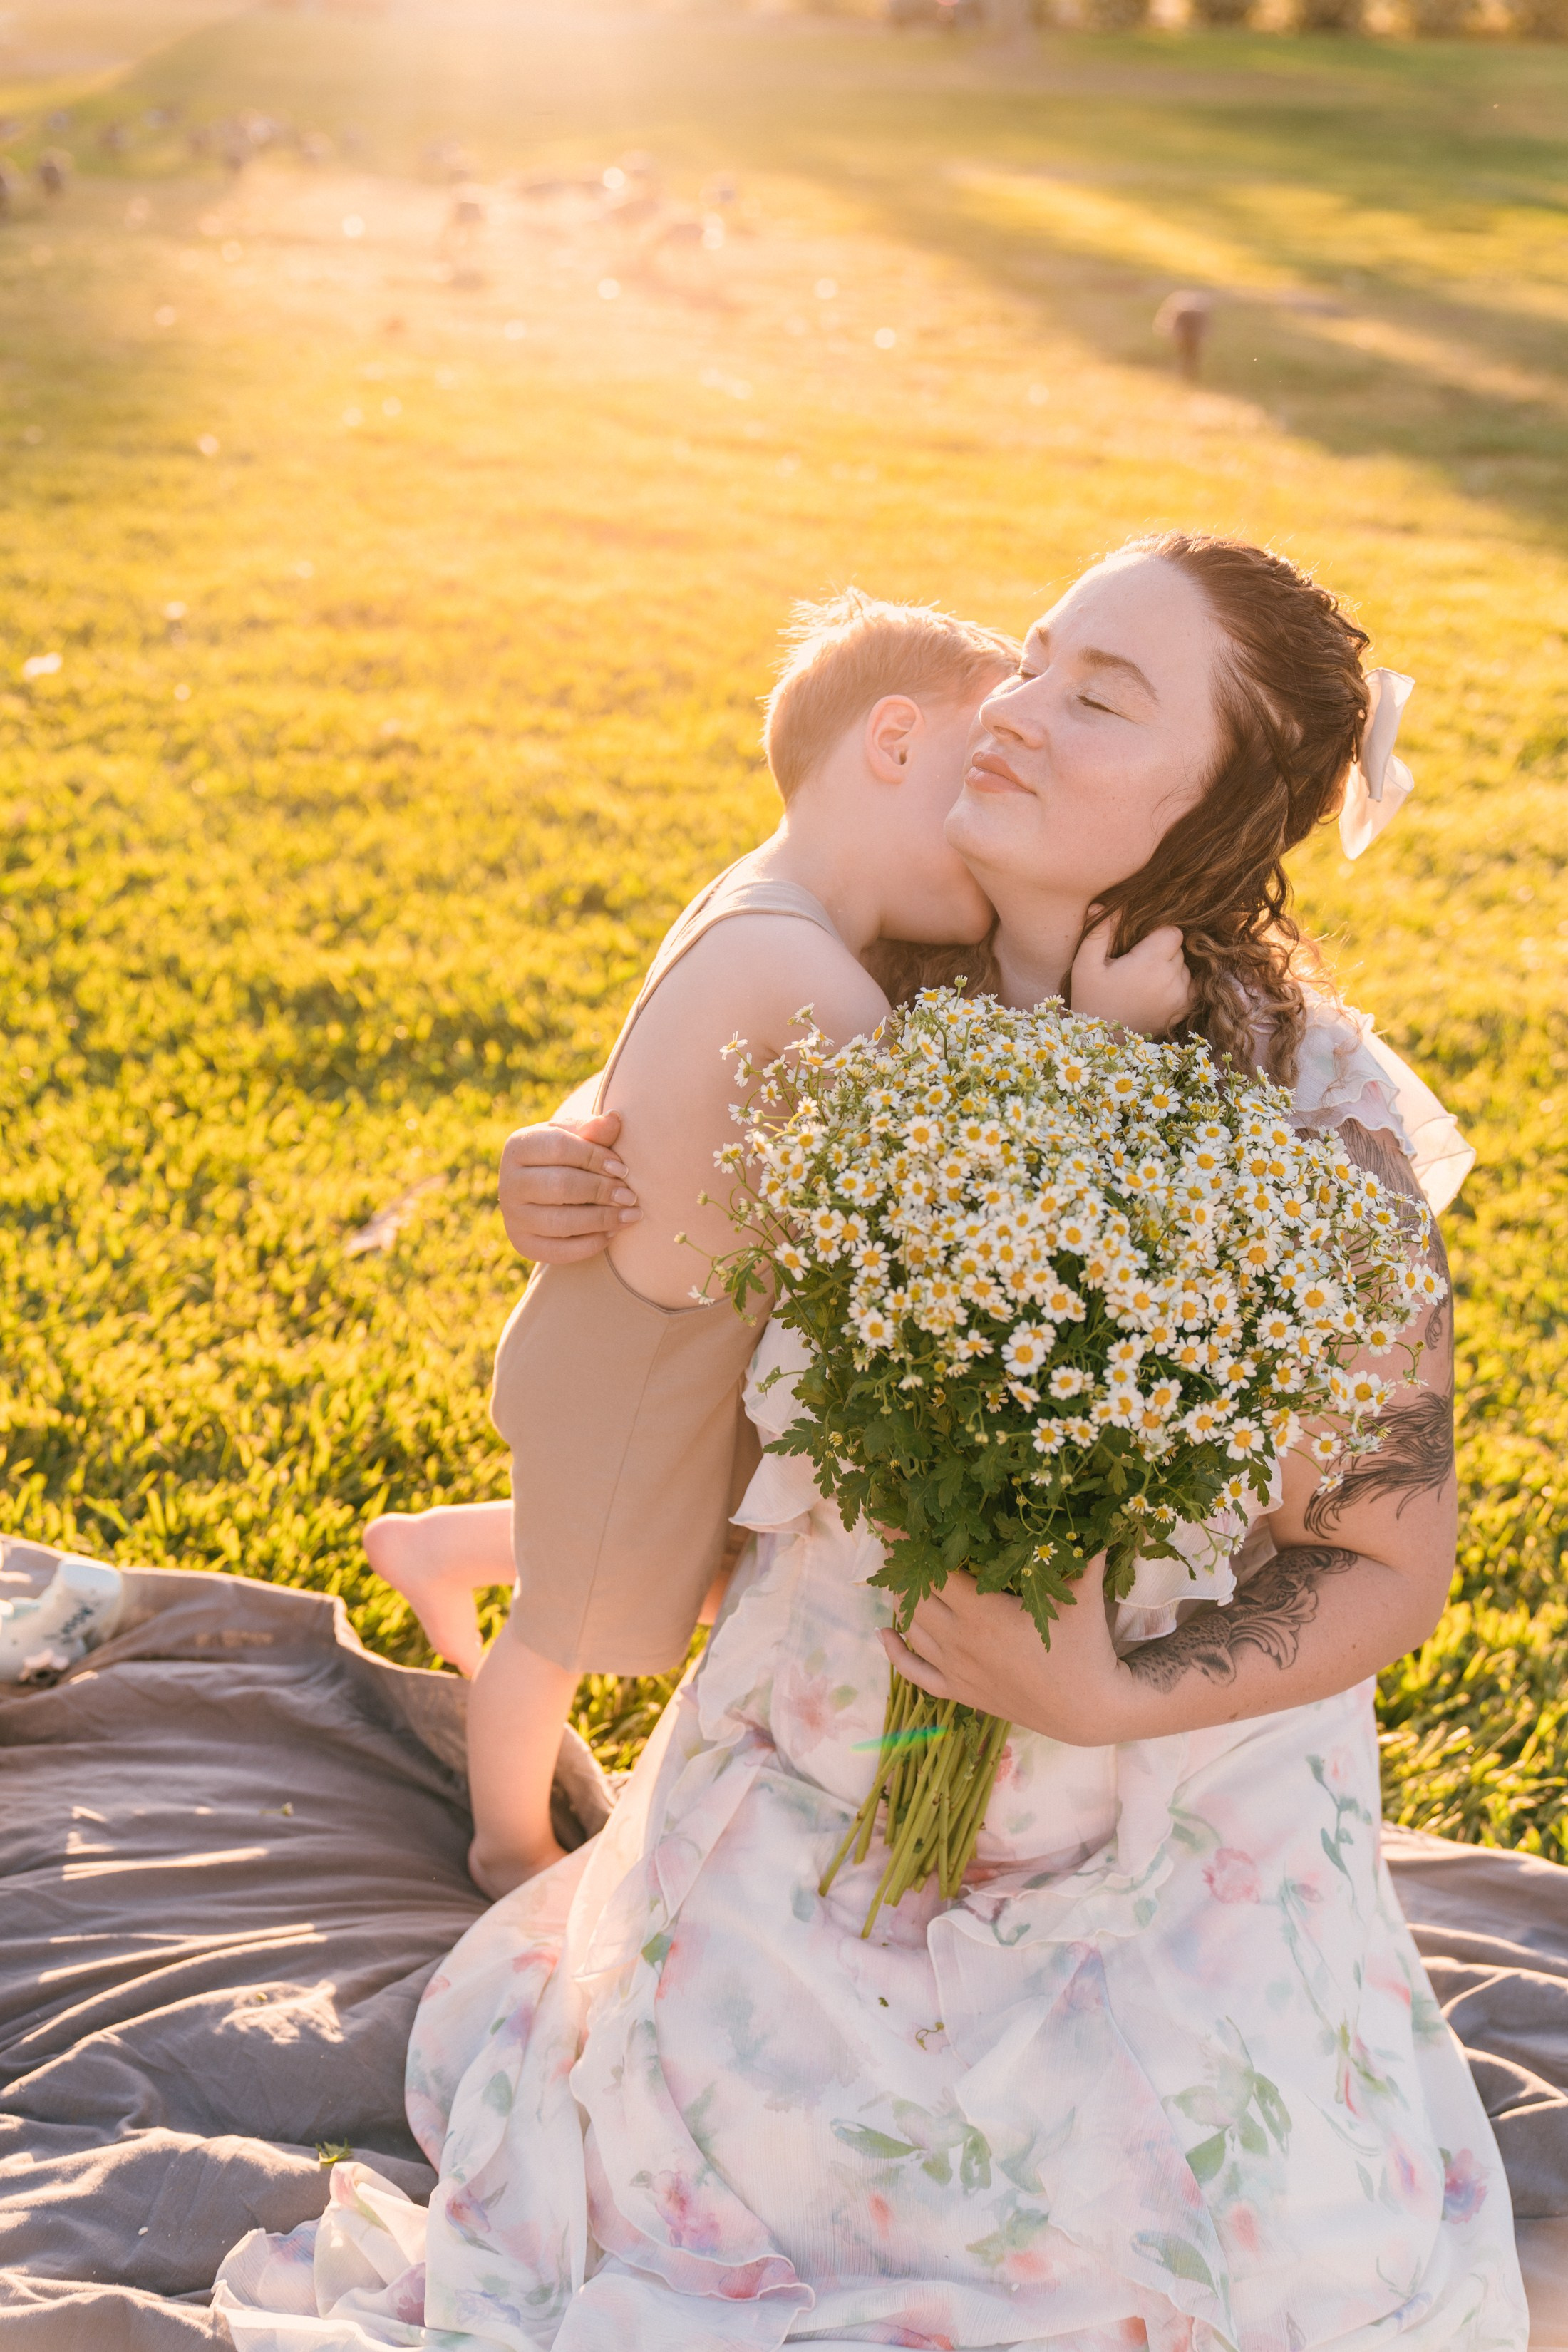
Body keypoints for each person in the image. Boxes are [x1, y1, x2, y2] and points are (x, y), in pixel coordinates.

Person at [217, 534, 1523, 2350]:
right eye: (1035, 657)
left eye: (1097, 696)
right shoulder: (869, 983)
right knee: (737, 2191)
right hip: (817, 1768)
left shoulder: (1314, 1136)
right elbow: (671, 1113)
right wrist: (565, 1166)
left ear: (1222, 803)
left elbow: (1382, 1556)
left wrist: (1103, 1695)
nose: (1015, 708)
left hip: (1155, 1816)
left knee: (1151, 2268)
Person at [366, 594, 1192, 1897]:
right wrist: (1098, 1035)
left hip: (656, 1333)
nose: (988, 856)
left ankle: (439, 1548)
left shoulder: (757, 904)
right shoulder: (815, 981)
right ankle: (506, 1840)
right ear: (895, 743)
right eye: (974, 787)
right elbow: (954, 1178)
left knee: (688, 1561)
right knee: (569, 1622)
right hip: (642, 1360)